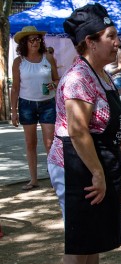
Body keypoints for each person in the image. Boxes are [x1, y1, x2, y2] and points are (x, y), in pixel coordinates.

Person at [47, 3, 121, 264]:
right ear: (90, 41)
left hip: (98, 161)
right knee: (79, 239)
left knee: (94, 239)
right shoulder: (77, 79)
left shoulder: (102, 74)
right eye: (112, 37)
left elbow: (110, 124)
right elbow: (78, 131)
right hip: (76, 165)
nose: (118, 42)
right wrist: (98, 175)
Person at [10, 26, 59, 190]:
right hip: (26, 104)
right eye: (32, 40)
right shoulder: (19, 62)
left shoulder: (48, 58)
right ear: (24, 42)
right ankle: (34, 179)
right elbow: (15, 88)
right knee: (30, 142)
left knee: (50, 142)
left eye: (38, 39)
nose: (35, 42)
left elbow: (57, 80)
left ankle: (54, 177)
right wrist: (13, 111)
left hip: (48, 104)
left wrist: (52, 85)